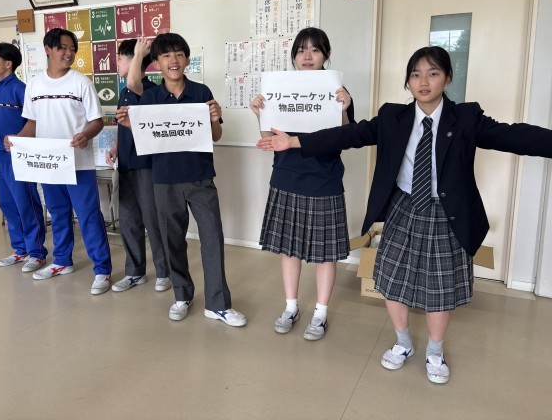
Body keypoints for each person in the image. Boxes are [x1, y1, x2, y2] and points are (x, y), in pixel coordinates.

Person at [256, 46, 552, 383]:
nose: (423, 82)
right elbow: (349, 135)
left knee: (439, 288)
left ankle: (435, 351)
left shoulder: (466, 118)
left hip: (446, 213)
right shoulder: (392, 117)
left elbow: (513, 135)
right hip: (404, 206)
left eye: (433, 73)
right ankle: (403, 343)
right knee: (392, 279)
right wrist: (295, 142)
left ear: (447, 78)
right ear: (408, 82)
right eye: (415, 74)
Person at [119, 32, 247, 327]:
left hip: (200, 177)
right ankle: (181, 295)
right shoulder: (150, 97)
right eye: (166, 55)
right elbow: (147, 139)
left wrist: (214, 119)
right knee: (172, 240)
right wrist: (130, 125)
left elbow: (216, 136)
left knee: (212, 238)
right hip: (164, 180)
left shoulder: (201, 92)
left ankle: (218, 305)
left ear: (187, 59)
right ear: (157, 63)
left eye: (178, 54)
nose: (173, 60)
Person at [249, 27, 355, 340]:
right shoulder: (280, 88)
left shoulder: (337, 91)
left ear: (326, 55)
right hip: (286, 177)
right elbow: (270, 139)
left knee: (325, 253)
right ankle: (291, 307)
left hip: (325, 179)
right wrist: (259, 114)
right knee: (289, 248)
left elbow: (347, 138)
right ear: (294, 56)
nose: (307, 57)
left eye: (315, 50)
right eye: (300, 50)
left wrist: (344, 110)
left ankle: (320, 313)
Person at [4, 28, 112, 295]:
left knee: (88, 216)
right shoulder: (35, 85)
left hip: (78, 164)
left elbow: (97, 121)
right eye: (63, 48)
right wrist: (16, 139)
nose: (69, 53)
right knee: (58, 213)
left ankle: (102, 270)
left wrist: (85, 135)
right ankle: (62, 261)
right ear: (48, 50)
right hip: (49, 164)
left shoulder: (81, 83)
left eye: (73, 49)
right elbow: (32, 123)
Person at [106, 37, 171, 293]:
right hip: (126, 165)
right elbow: (121, 126)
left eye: (121, 59)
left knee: (152, 221)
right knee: (129, 220)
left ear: (135, 60)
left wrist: (138, 53)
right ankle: (135, 272)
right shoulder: (124, 93)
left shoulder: (150, 90)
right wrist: (114, 148)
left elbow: (134, 82)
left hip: (146, 166)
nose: (117, 63)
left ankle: (164, 272)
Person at [0, 42, 47, 272]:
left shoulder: (21, 90)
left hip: (19, 156)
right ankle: (20, 249)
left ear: (8, 63)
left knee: (26, 202)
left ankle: (36, 252)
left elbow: (33, 122)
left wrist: (19, 140)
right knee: (7, 204)